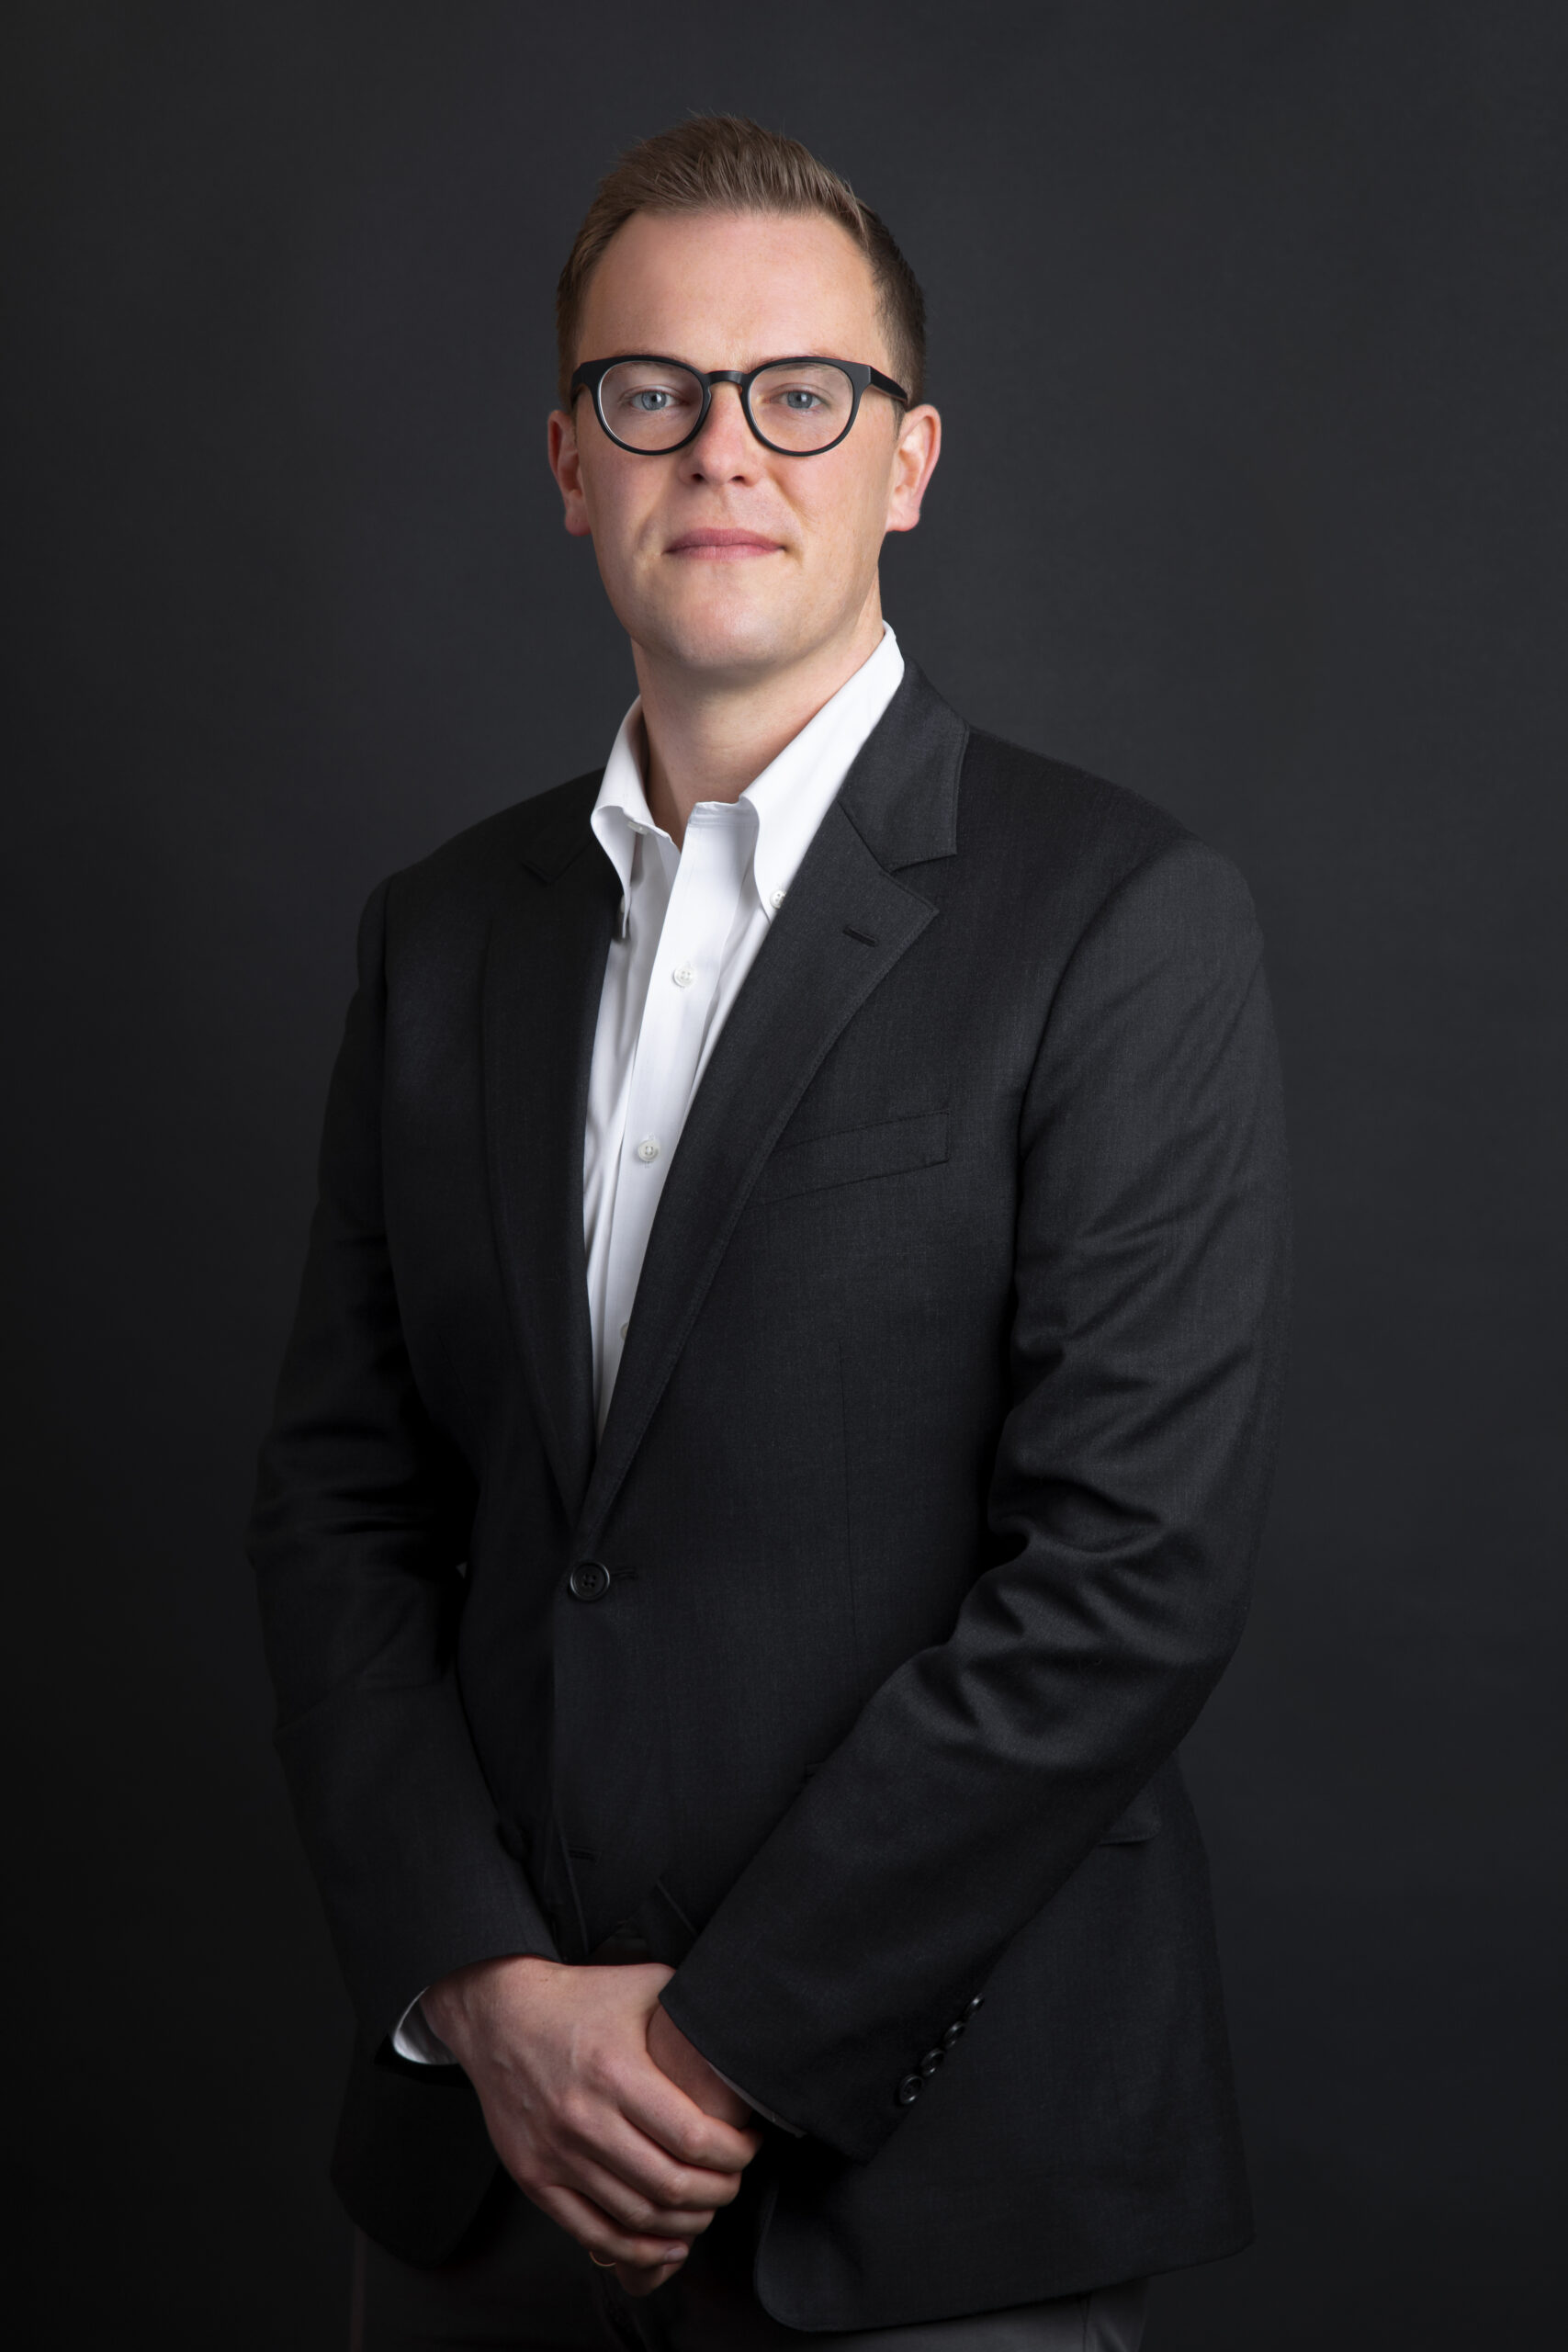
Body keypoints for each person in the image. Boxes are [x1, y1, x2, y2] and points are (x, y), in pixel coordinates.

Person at [250, 114, 1291, 2352]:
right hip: (478, 2183)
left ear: (905, 460)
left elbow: (1125, 1575)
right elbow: (342, 1504)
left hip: (923, 2197)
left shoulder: (1116, 918)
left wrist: (713, 2049)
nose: (723, 446)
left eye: (798, 391)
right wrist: (485, 1989)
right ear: (568, 463)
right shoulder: (440, 936)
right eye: (652, 391)